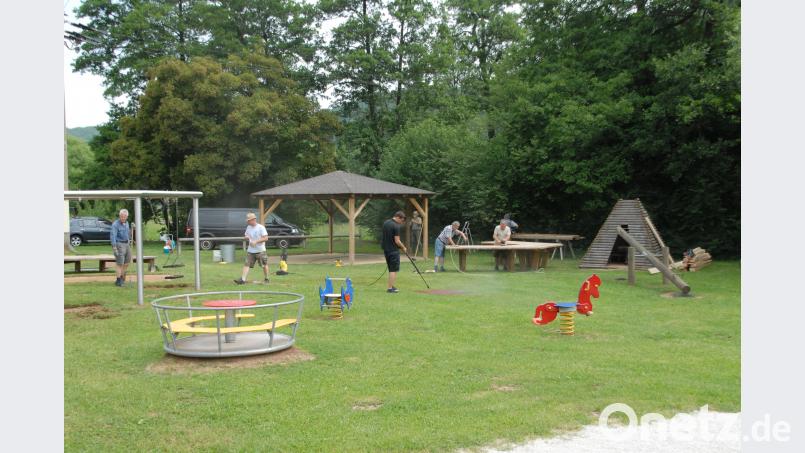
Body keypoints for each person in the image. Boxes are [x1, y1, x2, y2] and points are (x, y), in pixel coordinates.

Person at [234, 212, 270, 285]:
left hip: (260, 250)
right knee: (246, 264)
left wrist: (256, 241)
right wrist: (246, 237)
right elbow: (246, 235)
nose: (247, 222)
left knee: (264, 265)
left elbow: (266, 238)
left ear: (253, 220)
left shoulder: (261, 227)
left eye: (249, 220)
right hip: (251, 250)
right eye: (247, 220)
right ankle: (242, 280)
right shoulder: (248, 227)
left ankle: (267, 278)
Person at [382, 211, 408, 293]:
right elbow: (397, 241)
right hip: (393, 251)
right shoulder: (396, 226)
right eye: (401, 220)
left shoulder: (386, 223)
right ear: (398, 217)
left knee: (391, 269)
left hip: (386, 250)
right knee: (393, 270)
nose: (401, 222)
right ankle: (390, 288)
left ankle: (391, 285)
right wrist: (403, 247)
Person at [110, 209, 132, 287]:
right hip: (119, 244)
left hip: (127, 244)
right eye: (122, 216)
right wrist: (114, 247)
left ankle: (122, 278)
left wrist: (129, 240)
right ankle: (119, 280)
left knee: (127, 262)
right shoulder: (115, 225)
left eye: (125, 217)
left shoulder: (127, 223)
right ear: (119, 216)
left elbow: (127, 233)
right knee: (120, 263)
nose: (123, 218)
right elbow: (113, 236)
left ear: (127, 217)